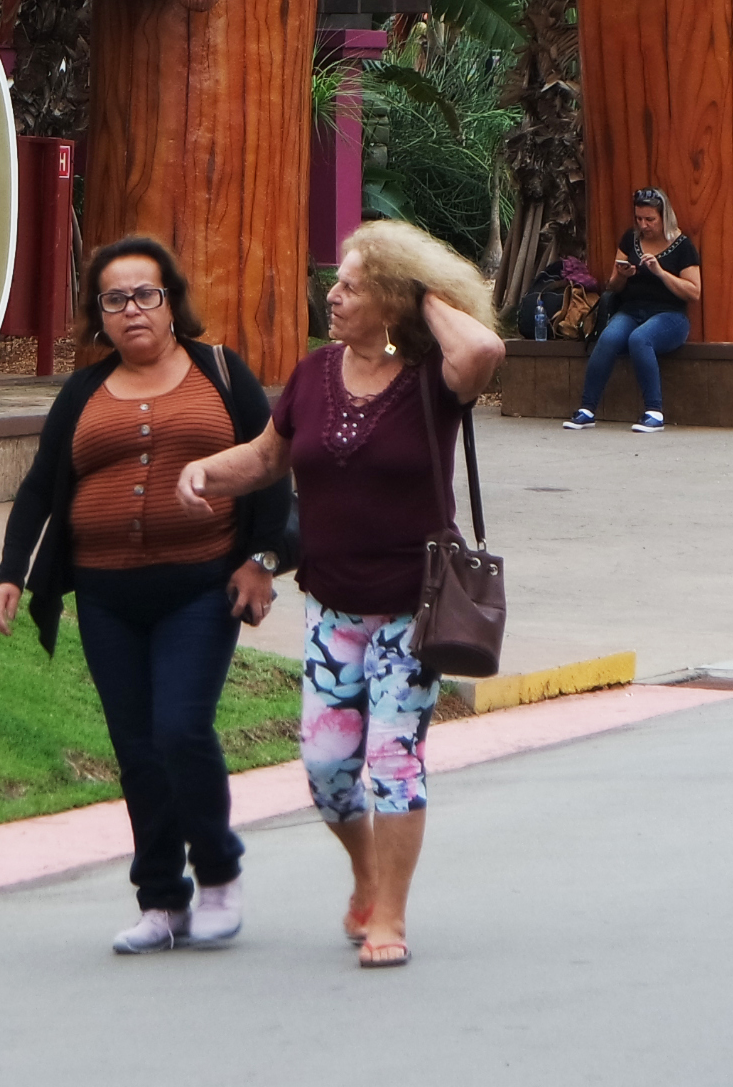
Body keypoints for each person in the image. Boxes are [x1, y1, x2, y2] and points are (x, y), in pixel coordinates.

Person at [179, 218, 505, 972]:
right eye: (339, 281)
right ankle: (365, 868)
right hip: (332, 607)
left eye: (354, 286)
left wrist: (418, 291)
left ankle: (388, 910)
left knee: (394, 763)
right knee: (327, 772)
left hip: (411, 609)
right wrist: (205, 472)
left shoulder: (436, 382)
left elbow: (482, 348)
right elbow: (267, 458)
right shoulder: (314, 376)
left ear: (390, 301)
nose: (334, 295)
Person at [0, 236, 290, 954]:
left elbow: (275, 470)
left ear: (170, 301)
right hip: (105, 597)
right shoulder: (83, 392)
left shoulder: (221, 373)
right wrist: (12, 570)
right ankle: (161, 901)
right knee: (136, 749)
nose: (132, 310)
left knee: (180, 730)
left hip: (199, 587)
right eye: (115, 299)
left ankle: (218, 874)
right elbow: (41, 484)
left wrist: (262, 561)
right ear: (100, 313)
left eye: (145, 294)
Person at [567, 188, 698, 431]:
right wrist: (623, 276)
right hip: (632, 310)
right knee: (608, 338)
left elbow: (693, 292)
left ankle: (654, 412)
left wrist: (660, 272)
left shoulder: (682, 246)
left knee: (640, 339)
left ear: (664, 217)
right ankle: (587, 409)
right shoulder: (631, 239)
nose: (644, 225)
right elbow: (612, 286)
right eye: (639, 219)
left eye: (650, 219)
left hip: (670, 316)